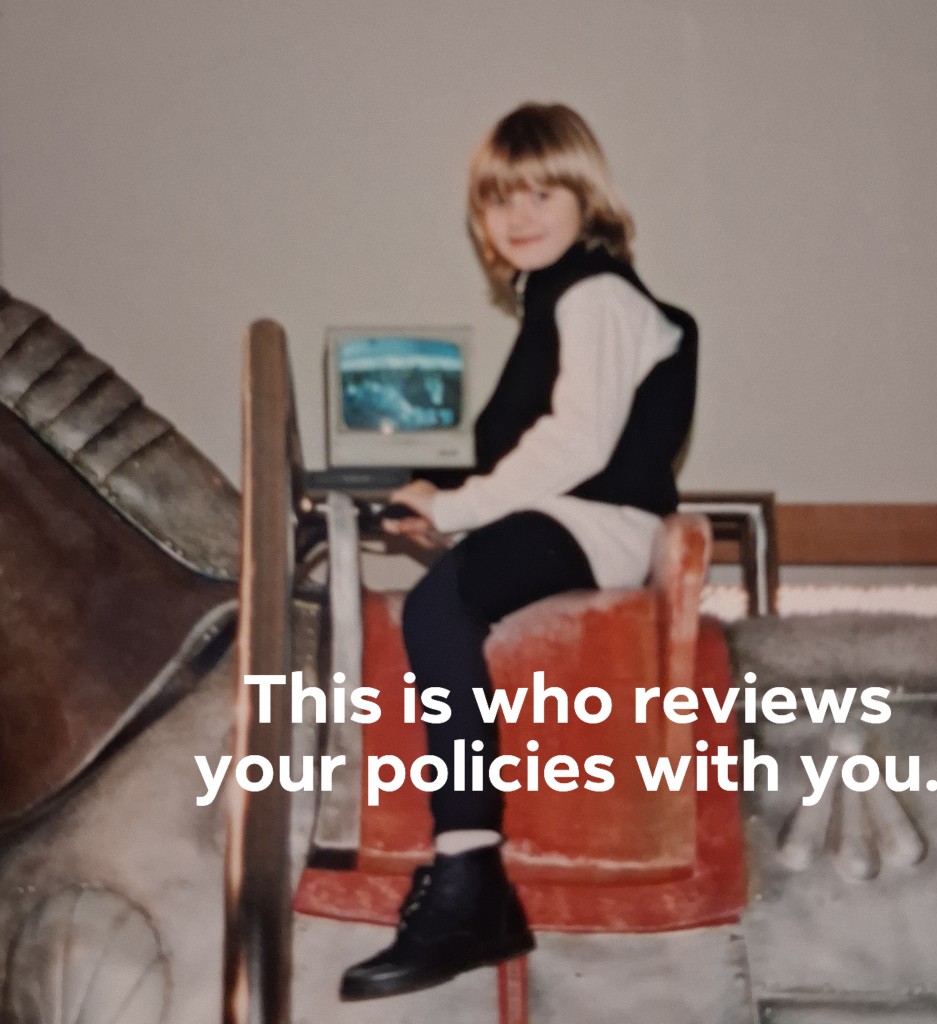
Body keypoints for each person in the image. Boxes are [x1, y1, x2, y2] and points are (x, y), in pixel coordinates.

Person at [340, 101, 697, 1001]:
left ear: (587, 200)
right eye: (500, 200)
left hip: (600, 524)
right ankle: (470, 883)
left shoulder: (595, 294)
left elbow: (574, 446)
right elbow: (510, 457)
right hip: (571, 518)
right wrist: (437, 500)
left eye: (543, 194)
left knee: (438, 606)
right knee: (438, 596)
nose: (520, 216)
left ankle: (470, 875)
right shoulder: (556, 301)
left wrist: (456, 506)